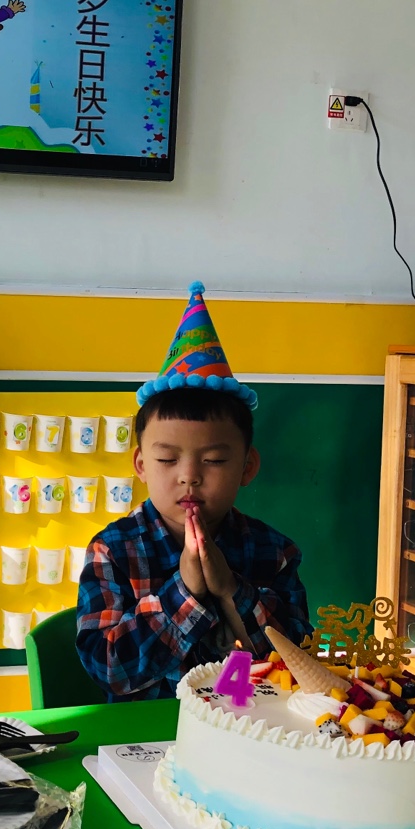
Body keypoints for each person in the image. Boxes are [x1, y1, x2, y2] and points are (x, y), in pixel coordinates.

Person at [76, 283, 312, 700]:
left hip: (248, 726)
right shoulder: (113, 551)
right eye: (167, 459)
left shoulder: (275, 552)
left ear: (247, 467)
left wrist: (230, 589)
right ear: (141, 465)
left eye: (214, 460)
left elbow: (298, 662)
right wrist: (185, 591)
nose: (189, 476)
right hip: (152, 730)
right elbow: (108, 669)